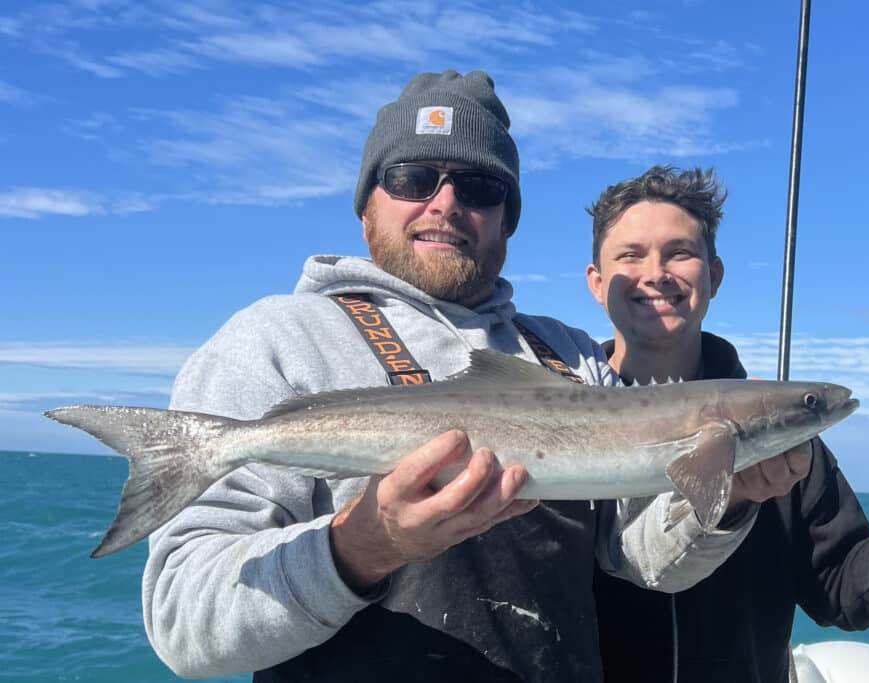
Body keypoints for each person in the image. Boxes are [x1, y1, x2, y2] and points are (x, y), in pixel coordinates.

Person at [141, 72, 760, 682]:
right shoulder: (275, 341)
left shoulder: (571, 356)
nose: (445, 204)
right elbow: (182, 628)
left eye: (479, 186)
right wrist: (359, 548)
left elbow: (636, 557)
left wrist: (727, 499)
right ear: (366, 206)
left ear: (507, 219)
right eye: (411, 179)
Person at [584, 165, 869, 683]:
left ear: (714, 275)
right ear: (596, 282)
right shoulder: (550, 422)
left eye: (680, 253)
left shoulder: (787, 438)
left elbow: (842, 596)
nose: (656, 273)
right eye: (631, 254)